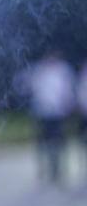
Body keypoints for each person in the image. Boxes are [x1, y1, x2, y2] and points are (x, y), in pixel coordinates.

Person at [27, 52, 75, 186]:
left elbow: (67, 91)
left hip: (58, 114)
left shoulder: (62, 71)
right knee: (43, 144)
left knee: (58, 143)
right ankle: (45, 170)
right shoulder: (39, 71)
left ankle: (58, 170)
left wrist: (67, 107)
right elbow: (33, 89)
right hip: (42, 113)